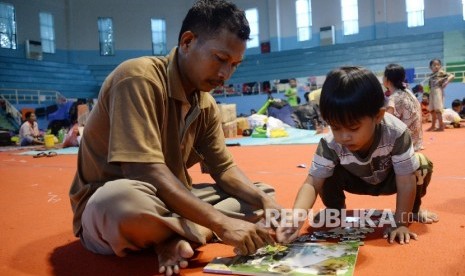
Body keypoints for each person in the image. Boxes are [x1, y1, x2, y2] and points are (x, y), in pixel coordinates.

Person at [68, 1, 282, 275]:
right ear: (187, 41)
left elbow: (224, 169)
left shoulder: (205, 104)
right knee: (118, 203)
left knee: (261, 192)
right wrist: (221, 223)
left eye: (234, 65)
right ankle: (186, 231)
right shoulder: (137, 78)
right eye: (220, 58)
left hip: (170, 199)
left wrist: (268, 204)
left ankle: (171, 236)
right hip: (123, 200)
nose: (225, 74)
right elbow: (142, 171)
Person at [275, 66, 439, 245]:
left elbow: (406, 181)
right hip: (355, 180)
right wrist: (295, 220)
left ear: (378, 116)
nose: (344, 136)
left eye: (353, 128)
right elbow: (313, 183)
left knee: (421, 164)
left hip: (390, 180)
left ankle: (413, 211)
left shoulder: (397, 133)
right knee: (322, 171)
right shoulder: (330, 143)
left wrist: (401, 223)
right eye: (335, 127)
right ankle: (335, 211)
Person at [383, 64, 424, 151]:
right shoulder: (409, 92)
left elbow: (387, 125)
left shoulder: (393, 99)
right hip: (416, 142)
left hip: (404, 145)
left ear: (387, 79)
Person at [426, 58, 454, 132]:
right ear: (430, 67)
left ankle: (441, 127)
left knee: (438, 109)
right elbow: (429, 86)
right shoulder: (431, 75)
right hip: (431, 91)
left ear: (440, 66)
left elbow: (452, 76)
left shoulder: (441, 73)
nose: (436, 66)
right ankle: (433, 126)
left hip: (438, 91)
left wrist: (446, 82)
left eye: (438, 65)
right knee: (432, 110)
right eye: (434, 65)